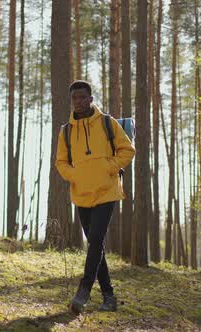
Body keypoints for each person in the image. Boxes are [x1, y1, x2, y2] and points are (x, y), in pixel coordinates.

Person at [55, 80, 136, 314]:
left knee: (96, 240)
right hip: (81, 194)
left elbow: (127, 150)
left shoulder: (107, 123)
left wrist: (109, 167)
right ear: (71, 101)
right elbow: (61, 161)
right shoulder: (66, 131)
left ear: (91, 99)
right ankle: (109, 297)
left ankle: (84, 290)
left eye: (83, 97)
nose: (78, 102)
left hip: (106, 190)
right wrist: (75, 175)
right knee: (95, 245)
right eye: (75, 98)